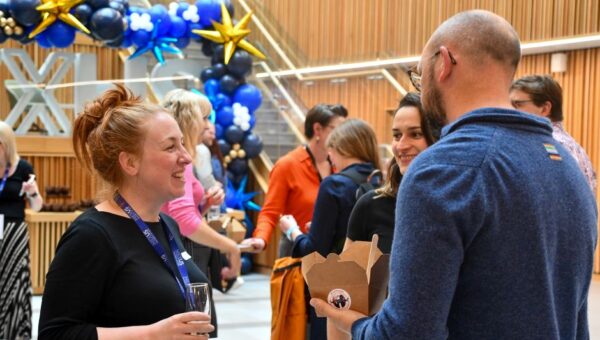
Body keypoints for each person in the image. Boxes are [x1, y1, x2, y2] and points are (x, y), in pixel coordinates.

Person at [311, 10, 598, 339]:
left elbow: (406, 334)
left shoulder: (442, 170)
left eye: (420, 76)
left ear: (443, 62)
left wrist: (350, 323)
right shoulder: (569, 167)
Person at [39, 85, 214, 339]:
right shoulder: (92, 236)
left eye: (184, 144)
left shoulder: (167, 224)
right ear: (130, 163)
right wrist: (152, 334)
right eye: (170, 147)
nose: (187, 158)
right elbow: (54, 334)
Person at [279, 118, 381, 340]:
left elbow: (315, 251)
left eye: (330, 152)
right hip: (377, 290)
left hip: (338, 291)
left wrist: (292, 232)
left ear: (340, 148)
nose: (330, 159)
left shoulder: (334, 184)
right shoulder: (382, 180)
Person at [241, 104, 348, 256]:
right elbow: (270, 211)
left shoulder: (340, 164)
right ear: (317, 129)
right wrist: (260, 238)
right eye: (337, 129)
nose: (343, 136)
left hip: (331, 251)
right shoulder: (288, 164)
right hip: (296, 249)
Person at [160, 89, 241, 283]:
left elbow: (174, 212)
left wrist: (206, 203)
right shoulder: (181, 160)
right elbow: (183, 219)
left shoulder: (176, 157)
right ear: (190, 121)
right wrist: (231, 247)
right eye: (204, 118)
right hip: (178, 248)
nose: (207, 125)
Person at [344, 93, 441, 254]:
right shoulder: (371, 205)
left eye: (415, 134)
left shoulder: (457, 204)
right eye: (397, 135)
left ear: (438, 137)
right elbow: (346, 276)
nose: (401, 146)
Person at [510, 75, 597, 194]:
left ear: (545, 109)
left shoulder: (549, 146)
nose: (509, 110)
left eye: (517, 104)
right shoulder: (568, 144)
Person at [0, 121, 43, 339]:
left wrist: (32, 193)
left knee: (15, 282)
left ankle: (14, 333)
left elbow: (37, 206)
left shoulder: (23, 168)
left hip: (13, 235)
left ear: (6, 145)